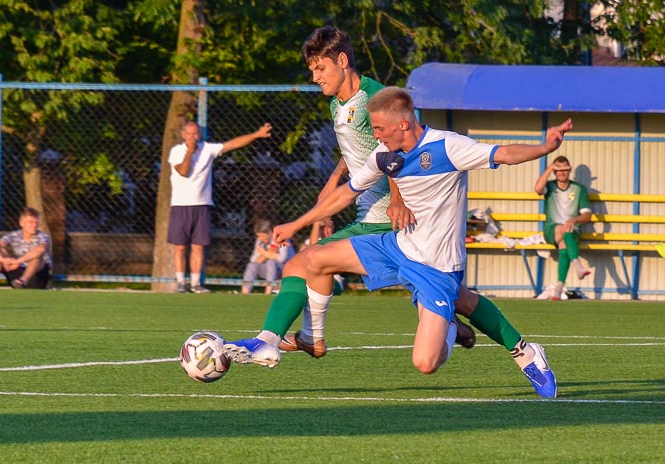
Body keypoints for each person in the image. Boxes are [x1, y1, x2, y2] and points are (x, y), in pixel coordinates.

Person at [224, 27, 558, 398]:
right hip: (396, 242)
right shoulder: (378, 148)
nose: (377, 137)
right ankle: (274, 340)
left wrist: (545, 146)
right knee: (311, 260)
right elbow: (352, 185)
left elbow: (503, 153)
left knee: (427, 360)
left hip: (433, 259)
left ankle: (515, 346)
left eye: (381, 130)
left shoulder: (446, 146)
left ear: (401, 124)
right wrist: (300, 221)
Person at [168, 120, 273, 293]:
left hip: (202, 204)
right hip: (181, 205)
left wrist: (256, 135)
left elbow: (232, 144)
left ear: (199, 135)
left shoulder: (207, 149)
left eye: (195, 134)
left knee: (198, 246)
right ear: (183, 135)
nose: (192, 137)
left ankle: (195, 284)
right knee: (179, 246)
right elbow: (183, 171)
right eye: (189, 134)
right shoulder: (177, 151)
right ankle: (180, 283)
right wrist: (189, 152)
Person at [534, 156, 592, 300]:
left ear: (570, 169)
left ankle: (558, 288)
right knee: (564, 229)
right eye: (558, 170)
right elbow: (537, 188)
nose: (562, 173)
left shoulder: (579, 189)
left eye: (565, 170)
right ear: (554, 171)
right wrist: (549, 169)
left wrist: (575, 219)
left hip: (572, 232)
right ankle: (577, 264)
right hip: (551, 229)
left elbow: (586, 215)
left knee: (565, 243)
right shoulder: (550, 187)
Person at [0, 206, 52, 289]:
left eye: (36, 222)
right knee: (0, 252)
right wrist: (4, 260)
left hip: (37, 276)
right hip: (17, 271)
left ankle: (23, 281)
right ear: (21, 223)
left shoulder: (43, 236)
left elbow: (41, 249)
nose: (34, 225)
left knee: (38, 258)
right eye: (31, 222)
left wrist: (18, 261)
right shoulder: (14, 235)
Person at [241, 220, 295, 294]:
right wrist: (268, 254)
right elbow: (253, 260)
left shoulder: (281, 238)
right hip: (270, 270)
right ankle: (245, 293)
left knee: (271, 262)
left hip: (286, 269)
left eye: (263, 236)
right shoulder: (259, 241)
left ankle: (268, 292)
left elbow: (282, 258)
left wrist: (264, 253)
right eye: (259, 236)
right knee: (251, 266)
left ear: (270, 232)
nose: (261, 238)